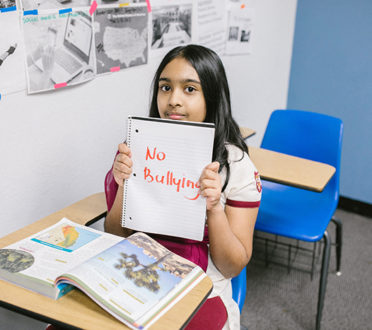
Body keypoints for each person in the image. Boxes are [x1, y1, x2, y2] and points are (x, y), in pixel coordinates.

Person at [104, 44, 261, 330]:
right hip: (138, 274)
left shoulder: (236, 166)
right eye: (165, 88)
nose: (173, 100)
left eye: (189, 89)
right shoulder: (138, 147)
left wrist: (214, 209)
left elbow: (232, 266)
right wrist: (124, 186)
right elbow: (115, 234)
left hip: (203, 286)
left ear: (212, 96)